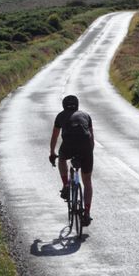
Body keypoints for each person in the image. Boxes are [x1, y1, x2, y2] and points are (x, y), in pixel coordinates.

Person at [49, 94, 95, 226]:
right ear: (77, 105)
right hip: (85, 146)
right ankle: (86, 213)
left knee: (62, 159)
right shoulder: (86, 115)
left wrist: (52, 153)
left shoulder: (60, 116)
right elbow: (91, 138)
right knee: (87, 181)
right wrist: (88, 154)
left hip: (68, 144)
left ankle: (66, 185)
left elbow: (54, 136)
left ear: (64, 106)